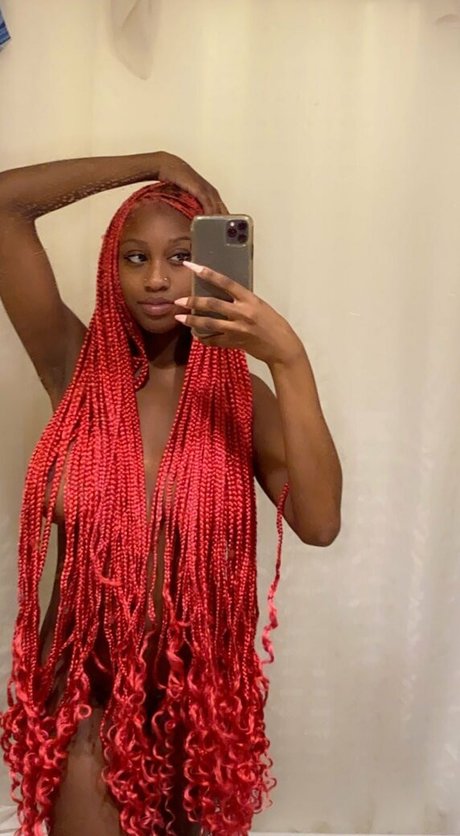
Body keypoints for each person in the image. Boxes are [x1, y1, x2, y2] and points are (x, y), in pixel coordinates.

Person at [0, 152, 342, 836]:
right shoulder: (77, 369)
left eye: (180, 256)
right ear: (112, 269)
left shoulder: (240, 399)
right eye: (136, 258)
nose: (156, 278)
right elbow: (4, 205)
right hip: (87, 688)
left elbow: (320, 522)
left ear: (210, 265)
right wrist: (151, 162)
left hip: (195, 695)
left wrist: (289, 359)